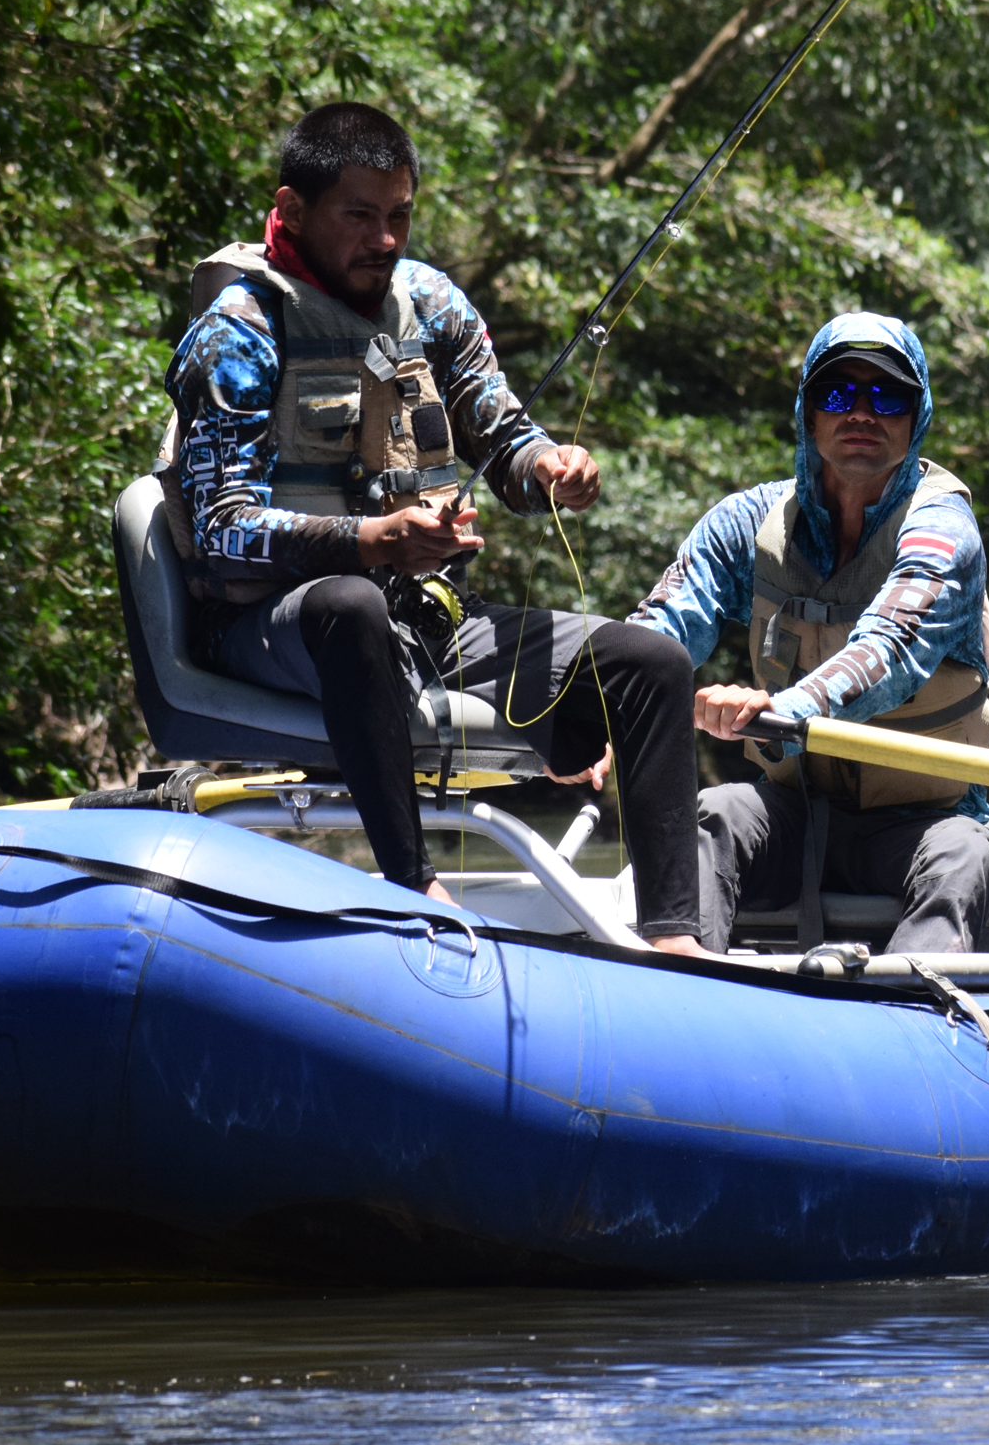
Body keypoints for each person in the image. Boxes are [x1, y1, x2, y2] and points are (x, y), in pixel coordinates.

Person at [160, 101, 706, 952]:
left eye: (401, 216)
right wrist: (369, 542)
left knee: (651, 664)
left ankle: (676, 938)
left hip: (427, 618)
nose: (385, 239)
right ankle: (414, 884)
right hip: (275, 625)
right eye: (361, 216)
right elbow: (222, 525)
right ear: (295, 210)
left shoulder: (431, 303)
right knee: (349, 603)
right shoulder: (238, 330)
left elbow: (505, 438)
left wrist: (551, 470)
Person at [633, 313, 989, 955]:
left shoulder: (945, 527)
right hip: (793, 812)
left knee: (965, 856)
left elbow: (889, 649)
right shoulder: (746, 523)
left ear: (916, 419)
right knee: (716, 811)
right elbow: (657, 634)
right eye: (838, 395)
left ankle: (906, 1022)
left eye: (887, 397)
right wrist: (600, 709)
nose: (862, 413)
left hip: (925, 822)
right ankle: (684, 983)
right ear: (808, 414)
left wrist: (781, 711)